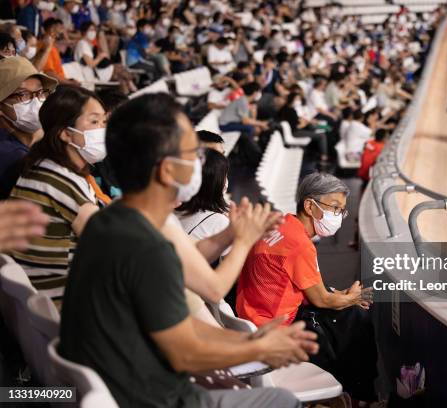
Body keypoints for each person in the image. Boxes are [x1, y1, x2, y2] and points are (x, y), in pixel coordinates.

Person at [60, 92, 317, 407]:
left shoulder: (111, 219)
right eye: (193, 153)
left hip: (119, 384)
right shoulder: (146, 248)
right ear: (167, 170)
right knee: (280, 400)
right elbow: (184, 354)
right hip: (151, 398)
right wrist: (261, 349)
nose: (202, 162)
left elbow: (178, 324)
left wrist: (249, 339)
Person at [236, 172, 378, 403]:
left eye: (341, 210)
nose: (338, 215)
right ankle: (360, 395)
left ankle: (355, 393)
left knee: (347, 315)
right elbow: (322, 300)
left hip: (254, 315)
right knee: (356, 320)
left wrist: (341, 296)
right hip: (275, 325)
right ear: (310, 206)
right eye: (334, 207)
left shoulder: (280, 225)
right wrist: (351, 298)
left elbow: (307, 288)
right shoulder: (298, 244)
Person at [9, 85, 106, 299]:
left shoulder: (41, 165)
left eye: (103, 122)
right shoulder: (62, 181)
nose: (102, 130)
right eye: (94, 122)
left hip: (43, 293)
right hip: (67, 301)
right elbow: (112, 245)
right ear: (65, 134)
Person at [0, 56, 58, 199]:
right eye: (23, 94)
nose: (35, 102)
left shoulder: (32, 140)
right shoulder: (10, 153)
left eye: (40, 92)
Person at [177, 149, 230, 241]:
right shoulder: (220, 222)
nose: (226, 181)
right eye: (225, 176)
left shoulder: (172, 209)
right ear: (216, 182)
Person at [74, 22, 137, 94]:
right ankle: (132, 86)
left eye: (94, 30)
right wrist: (101, 56)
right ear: (84, 31)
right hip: (90, 76)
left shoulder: (88, 44)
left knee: (121, 78)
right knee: (118, 69)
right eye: (91, 30)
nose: (93, 32)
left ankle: (129, 93)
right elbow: (91, 64)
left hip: (96, 73)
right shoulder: (82, 44)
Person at [277, 92, 328, 164]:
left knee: (314, 128)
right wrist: (306, 123)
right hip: (295, 132)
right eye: (297, 99)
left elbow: (296, 121)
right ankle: (324, 157)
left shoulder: (286, 109)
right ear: (292, 99)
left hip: (295, 131)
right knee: (321, 135)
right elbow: (297, 126)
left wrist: (305, 121)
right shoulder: (290, 111)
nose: (298, 101)